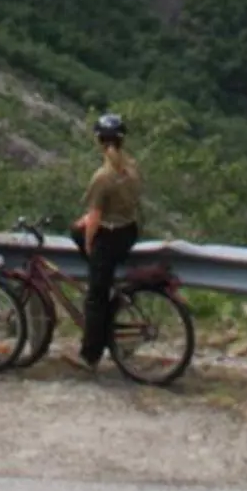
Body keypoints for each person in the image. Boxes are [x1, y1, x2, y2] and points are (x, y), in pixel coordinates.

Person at [71, 112, 142, 369]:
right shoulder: (131, 167)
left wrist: (89, 242)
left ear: (99, 141)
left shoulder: (102, 177)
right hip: (128, 230)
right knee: (100, 283)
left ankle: (90, 355)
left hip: (109, 236)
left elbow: (95, 217)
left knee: (95, 298)